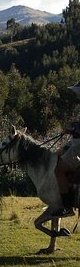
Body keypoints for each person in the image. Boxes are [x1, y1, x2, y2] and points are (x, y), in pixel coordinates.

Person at [51, 81, 80, 217]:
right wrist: (71, 130)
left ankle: (68, 207)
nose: (76, 94)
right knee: (53, 158)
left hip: (79, 145)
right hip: (75, 142)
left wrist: (72, 129)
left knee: (59, 170)